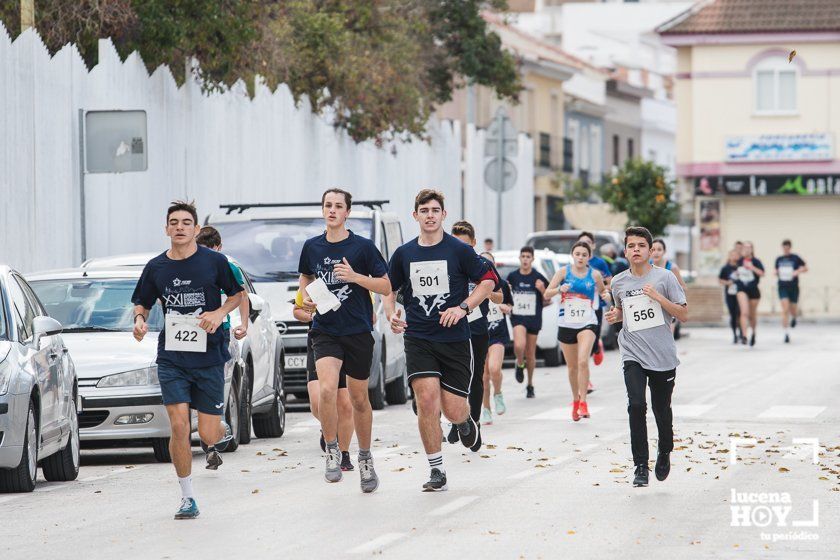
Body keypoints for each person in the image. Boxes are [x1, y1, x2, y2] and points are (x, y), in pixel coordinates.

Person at [132, 200, 245, 520]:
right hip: (172, 358)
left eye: (186, 222)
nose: (179, 227)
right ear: (166, 228)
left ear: (196, 230)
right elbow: (142, 302)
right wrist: (140, 320)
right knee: (180, 426)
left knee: (208, 434)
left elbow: (237, 294)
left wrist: (220, 312)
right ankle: (187, 496)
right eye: (173, 222)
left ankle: (221, 428)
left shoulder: (214, 262)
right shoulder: (157, 267)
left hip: (209, 356)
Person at [384, 189, 497, 492]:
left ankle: (464, 422)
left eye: (435, 210)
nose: (430, 215)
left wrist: (463, 308)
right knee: (427, 400)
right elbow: (388, 289)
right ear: (415, 215)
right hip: (419, 337)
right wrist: (390, 313)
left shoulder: (458, 250)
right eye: (424, 210)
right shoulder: (404, 253)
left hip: (454, 339)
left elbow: (488, 281)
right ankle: (437, 470)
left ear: (443, 215)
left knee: (452, 408)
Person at [297, 188, 391, 493]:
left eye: (338, 206)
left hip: (358, 331)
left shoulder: (363, 248)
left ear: (347, 212)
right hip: (325, 330)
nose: (332, 210)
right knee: (326, 389)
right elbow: (306, 279)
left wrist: (355, 277)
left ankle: (365, 457)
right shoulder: (312, 247)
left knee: (359, 398)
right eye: (328, 205)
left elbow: (386, 285)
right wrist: (306, 300)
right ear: (322, 210)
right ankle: (333, 450)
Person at [606, 226, 687, 488]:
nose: (636, 250)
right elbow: (620, 311)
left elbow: (683, 314)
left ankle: (665, 450)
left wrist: (657, 297)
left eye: (641, 245)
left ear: (651, 251)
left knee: (661, 410)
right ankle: (640, 465)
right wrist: (615, 316)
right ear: (626, 250)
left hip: (662, 354)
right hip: (632, 352)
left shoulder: (665, 278)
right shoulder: (618, 282)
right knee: (637, 404)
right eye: (631, 246)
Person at [448, 221, 502, 443]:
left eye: (465, 245)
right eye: (455, 244)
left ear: (473, 243)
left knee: (475, 377)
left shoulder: (482, 265)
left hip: (477, 327)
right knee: (453, 377)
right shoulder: (446, 263)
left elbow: (500, 296)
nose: (460, 249)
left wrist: (486, 293)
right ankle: (457, 421)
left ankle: (475, 422)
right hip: (451, 327)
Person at [545, 241, 609, 421]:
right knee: (572, 367)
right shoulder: (563, 272)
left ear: (589, 257)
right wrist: (559, 289)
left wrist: (606, 295)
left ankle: (584, 402)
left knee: (582, 362)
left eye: (584, 254)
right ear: (572, 255)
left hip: (587, 322)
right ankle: (575, 400)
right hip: (566, 323)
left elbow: (603, 293)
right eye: (577, 254)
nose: (580, 257)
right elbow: (546, 293)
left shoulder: (595, 274)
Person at [293, 290, 355, 471]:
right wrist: (310, 313)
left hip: (349, 340)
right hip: (320, 340)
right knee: (316, 402)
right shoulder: (315, 276)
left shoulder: (354, 272)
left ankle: (343, 454)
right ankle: (328, 426)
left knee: (344, 404)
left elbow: (371, 313)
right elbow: (297, 310)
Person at [195, 226, 250, 343]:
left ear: (219, 247)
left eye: (210, 252)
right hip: (191, 328)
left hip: (220, 329)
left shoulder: (230, 268)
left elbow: (243, 296)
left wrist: (244, 325)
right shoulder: (187, 268)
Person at [507, 246, 549, 398]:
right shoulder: (512, 276)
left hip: (533, 318)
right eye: (523, 256)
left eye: (528, 257)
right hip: (518, 317)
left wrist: (542, 289)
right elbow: (505, 295)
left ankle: (530, 385)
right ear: (519, 258)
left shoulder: (538, 277)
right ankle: (519, 363)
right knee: (519, 345)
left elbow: (548, 299)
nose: (525, 259)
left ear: (532, 259)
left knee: (531, 354)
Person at [480, 251, 512, 425]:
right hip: (480, 333)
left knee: (494, 368)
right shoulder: (473, 285)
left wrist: (506, 307)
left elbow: (509, 304)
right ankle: (486, 409)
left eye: (489, 262)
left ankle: (498, 393)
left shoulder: (502, 284)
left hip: (497, 332)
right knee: (483, 376)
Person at [775, 240, 808, 343]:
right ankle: (786, 333)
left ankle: (794, 317)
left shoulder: (795, 258)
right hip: (782, 286)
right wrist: (776, 272)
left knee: (793, 308)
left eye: (787, 247)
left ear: (790, 247)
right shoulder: (779, 259)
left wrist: (797, 271)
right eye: (784, 247)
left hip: (793, 286)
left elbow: (805, 268)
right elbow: (776, 271)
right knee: (785, 309)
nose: (785, 249)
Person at [735, 241, 765, 346]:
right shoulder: (739, 261)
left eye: (749, 247)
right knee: (744, 312)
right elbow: (735, 273)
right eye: (745, 247)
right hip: (741, 288)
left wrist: (752, 267)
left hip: (753, 290)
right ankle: (744, 335)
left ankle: (753, 333)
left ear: (752, 249)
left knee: (752, 315)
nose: (746, 249)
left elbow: (762, 273)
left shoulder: (756, 261)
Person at [718, 250, 742, 344]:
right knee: (733, 314)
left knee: (740, 313)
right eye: (732, 255)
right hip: (730, 294)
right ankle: (734, 334)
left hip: (740, 293)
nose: (734, 256)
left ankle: (741, 332)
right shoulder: (725, 268)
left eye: (736, 254)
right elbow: (720, 280)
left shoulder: (741, 267)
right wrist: (727, 282)